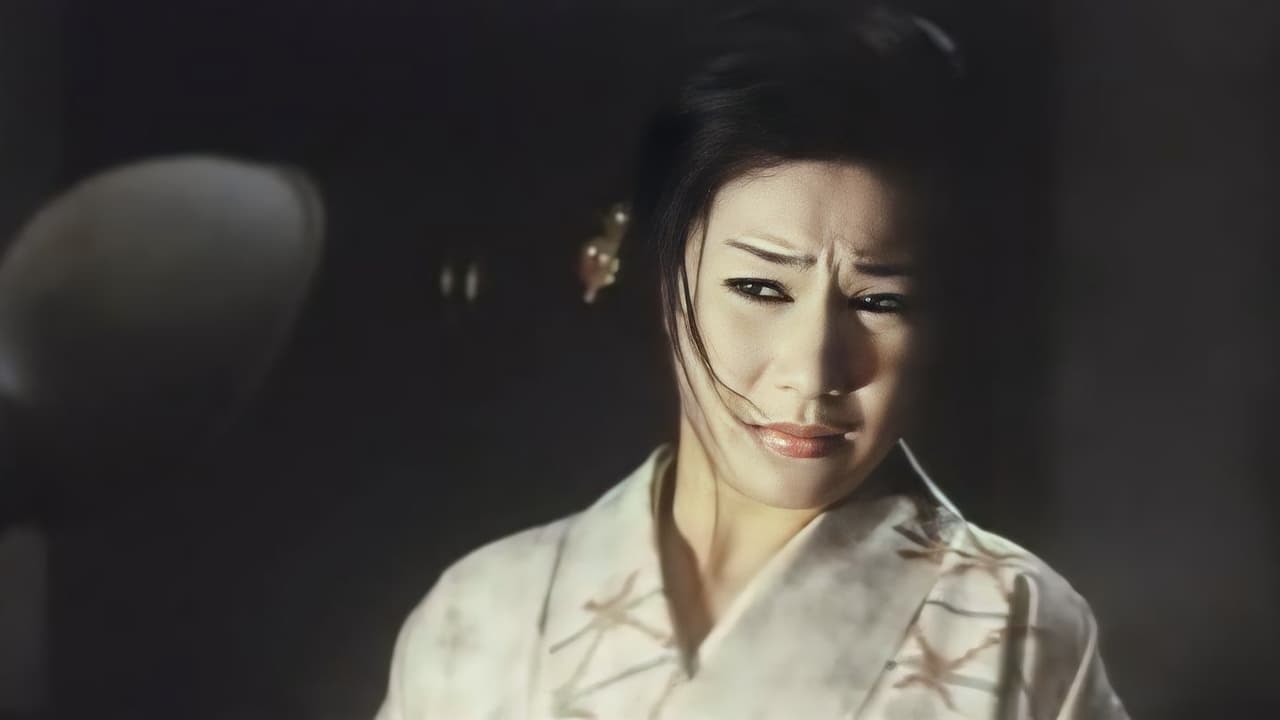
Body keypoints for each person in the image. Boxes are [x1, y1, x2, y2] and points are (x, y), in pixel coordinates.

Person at [375, 5, 1127, 719]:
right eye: (760, 289)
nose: (814, 369)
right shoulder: (483, 613)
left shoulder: (1019, 631)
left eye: (880, 302)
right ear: (658, 277)